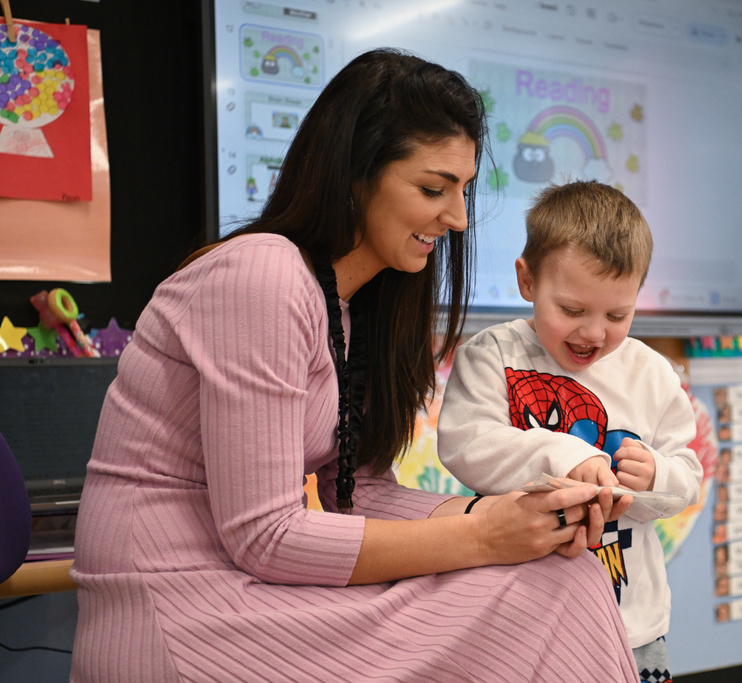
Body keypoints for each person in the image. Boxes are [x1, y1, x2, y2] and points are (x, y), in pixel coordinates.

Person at [69, 50, 640, 683]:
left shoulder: (355, 306)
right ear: (355, 175)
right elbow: (265, 536)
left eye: (464, 191)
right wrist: (484, 534)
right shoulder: (261, 276)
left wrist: (521, 517)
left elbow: (360, 495)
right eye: (433, 189)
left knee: (560, 570)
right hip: (180, 606)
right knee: (544, 593)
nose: (456, 218)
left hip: (251, 588)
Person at [437, 181, 703, 683]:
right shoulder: (494, 354)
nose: (594, 333)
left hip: (630, 625)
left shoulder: (652, 373)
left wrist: (657, 475)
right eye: (573, 311)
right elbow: (466, 443)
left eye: (617, 314)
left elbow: (686, 475)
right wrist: (565, 454)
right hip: (517, 616)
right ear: (527, 280)